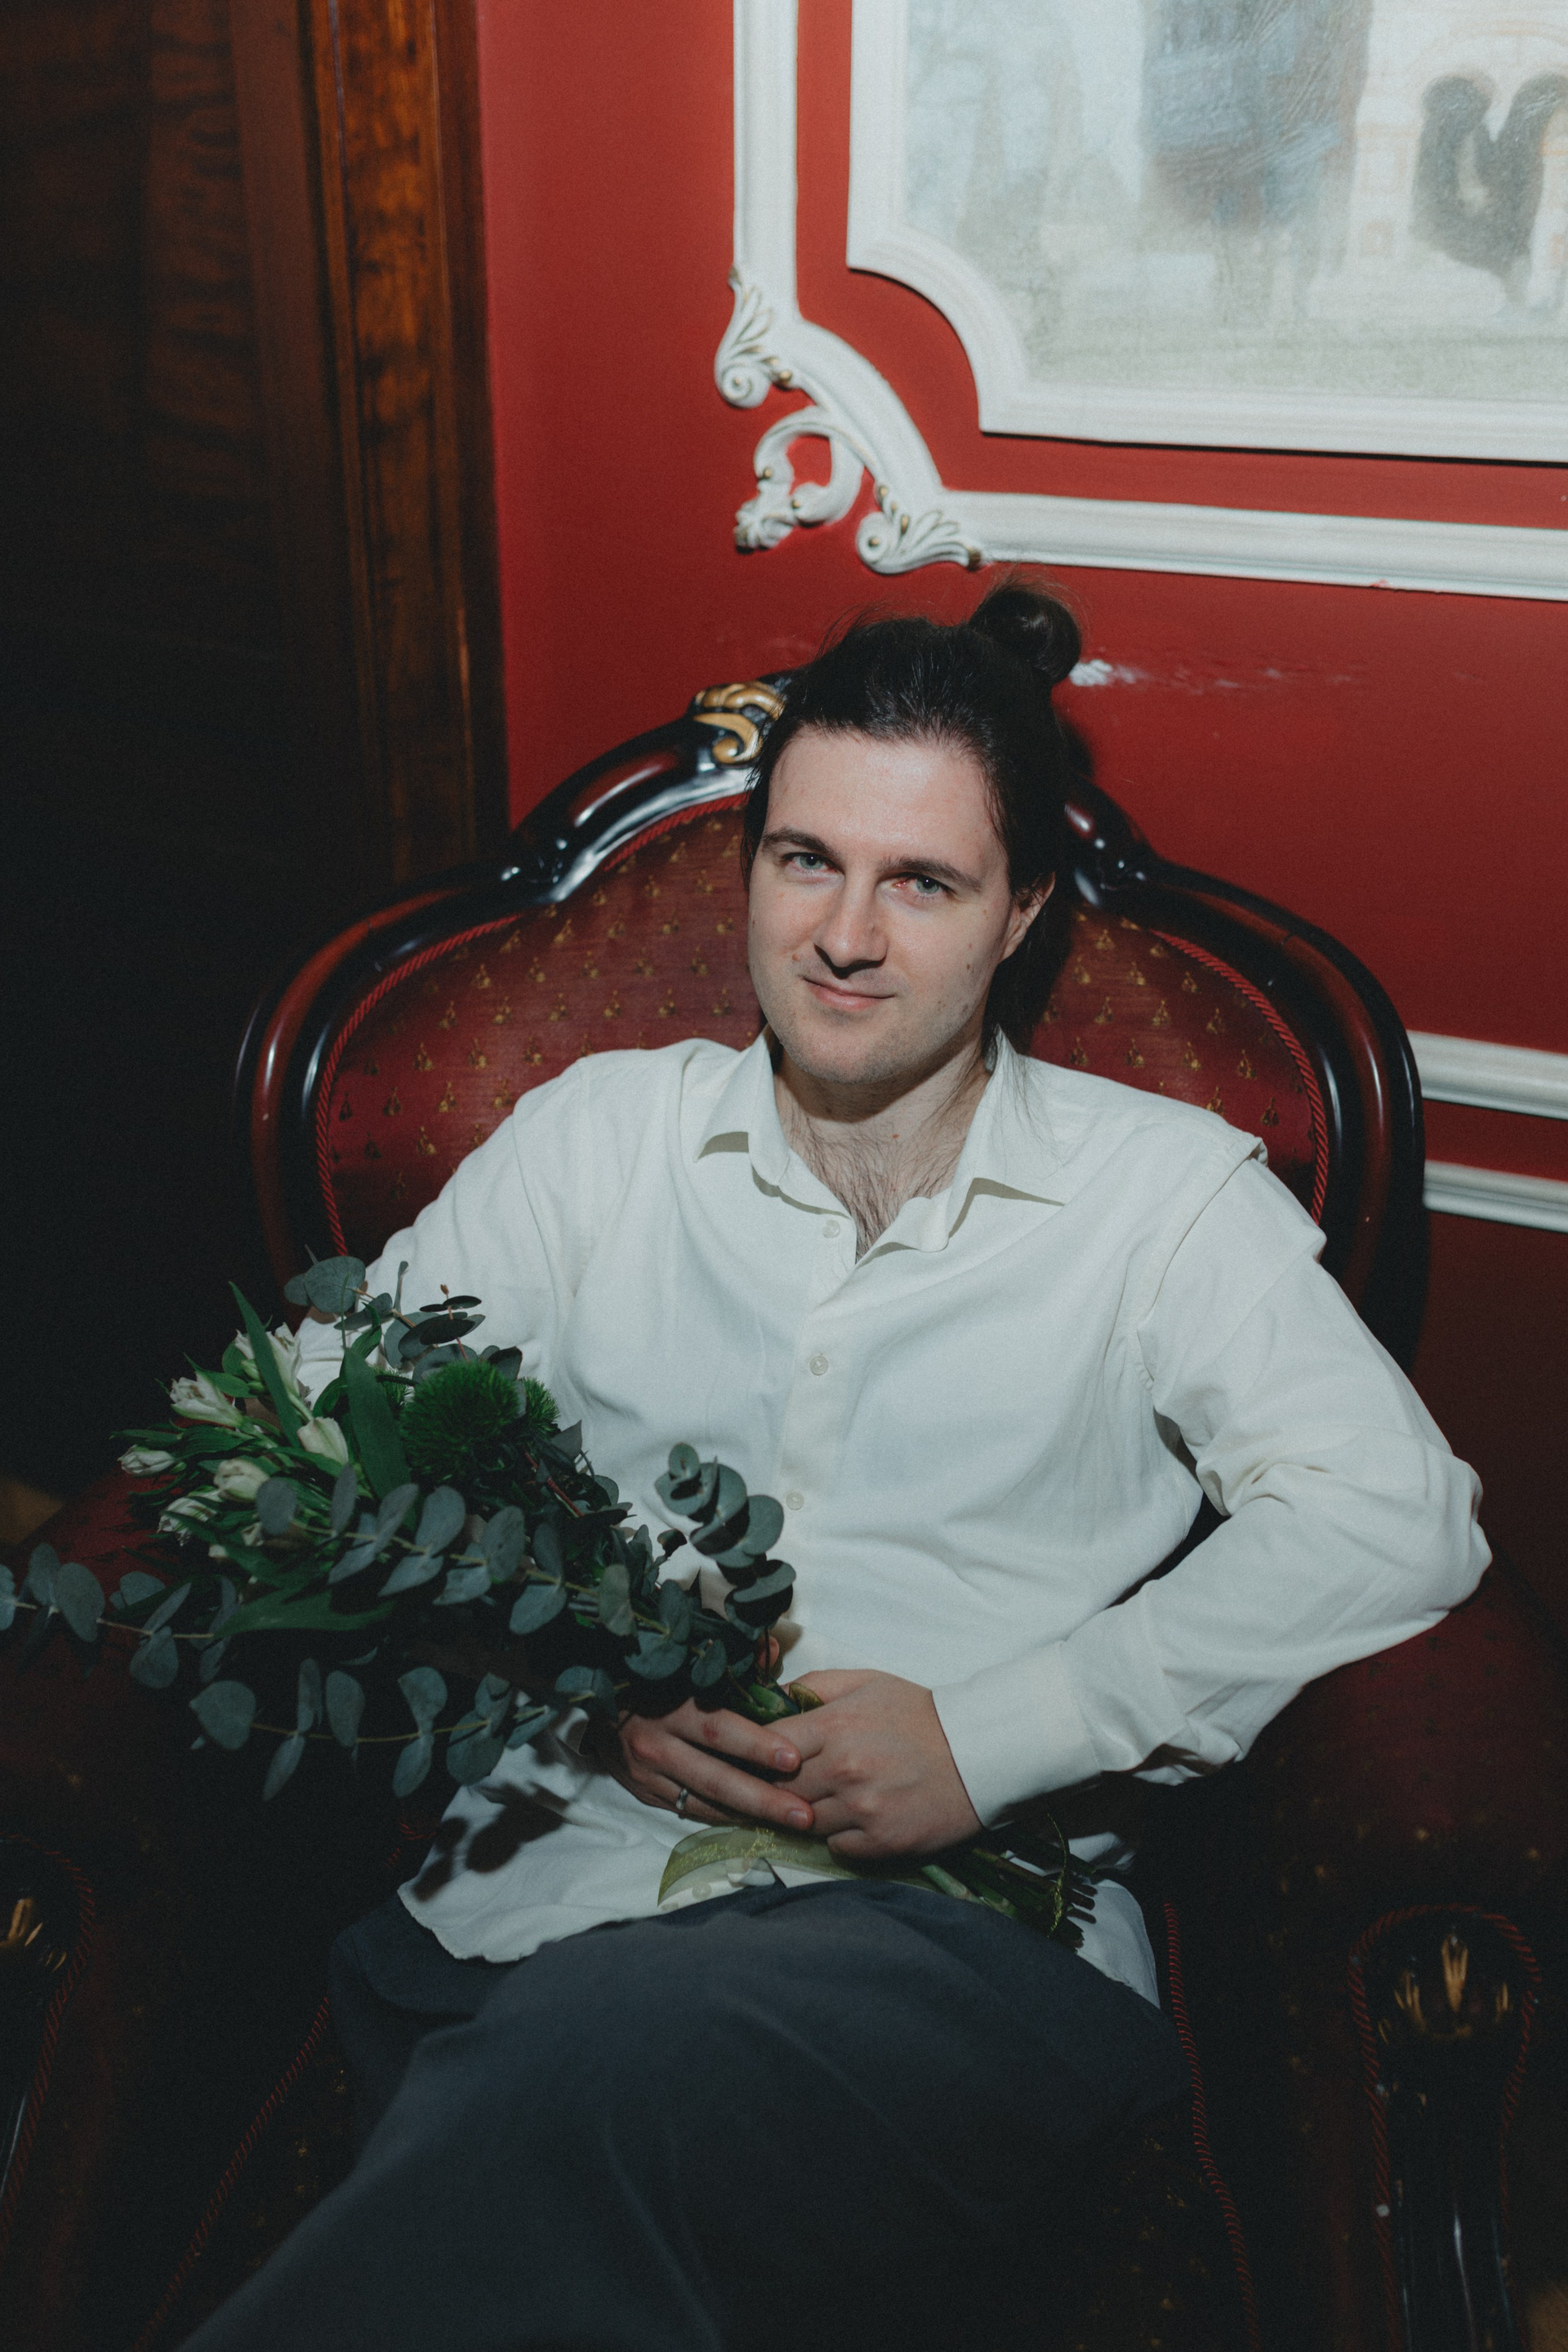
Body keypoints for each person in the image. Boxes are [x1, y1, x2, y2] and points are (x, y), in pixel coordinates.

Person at [181, 581, 1486, 2352]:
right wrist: (574, 1675)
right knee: (561, 2098)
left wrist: (992, 1737)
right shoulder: (593, 1143)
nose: (845, 937)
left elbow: (1395, 1513)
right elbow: (318, 1431)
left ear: (1023, 911)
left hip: (958, 1955)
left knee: (587, 2080)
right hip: (535, 1904)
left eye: (922, 882)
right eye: (806, 861)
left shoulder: (1161, 1201)